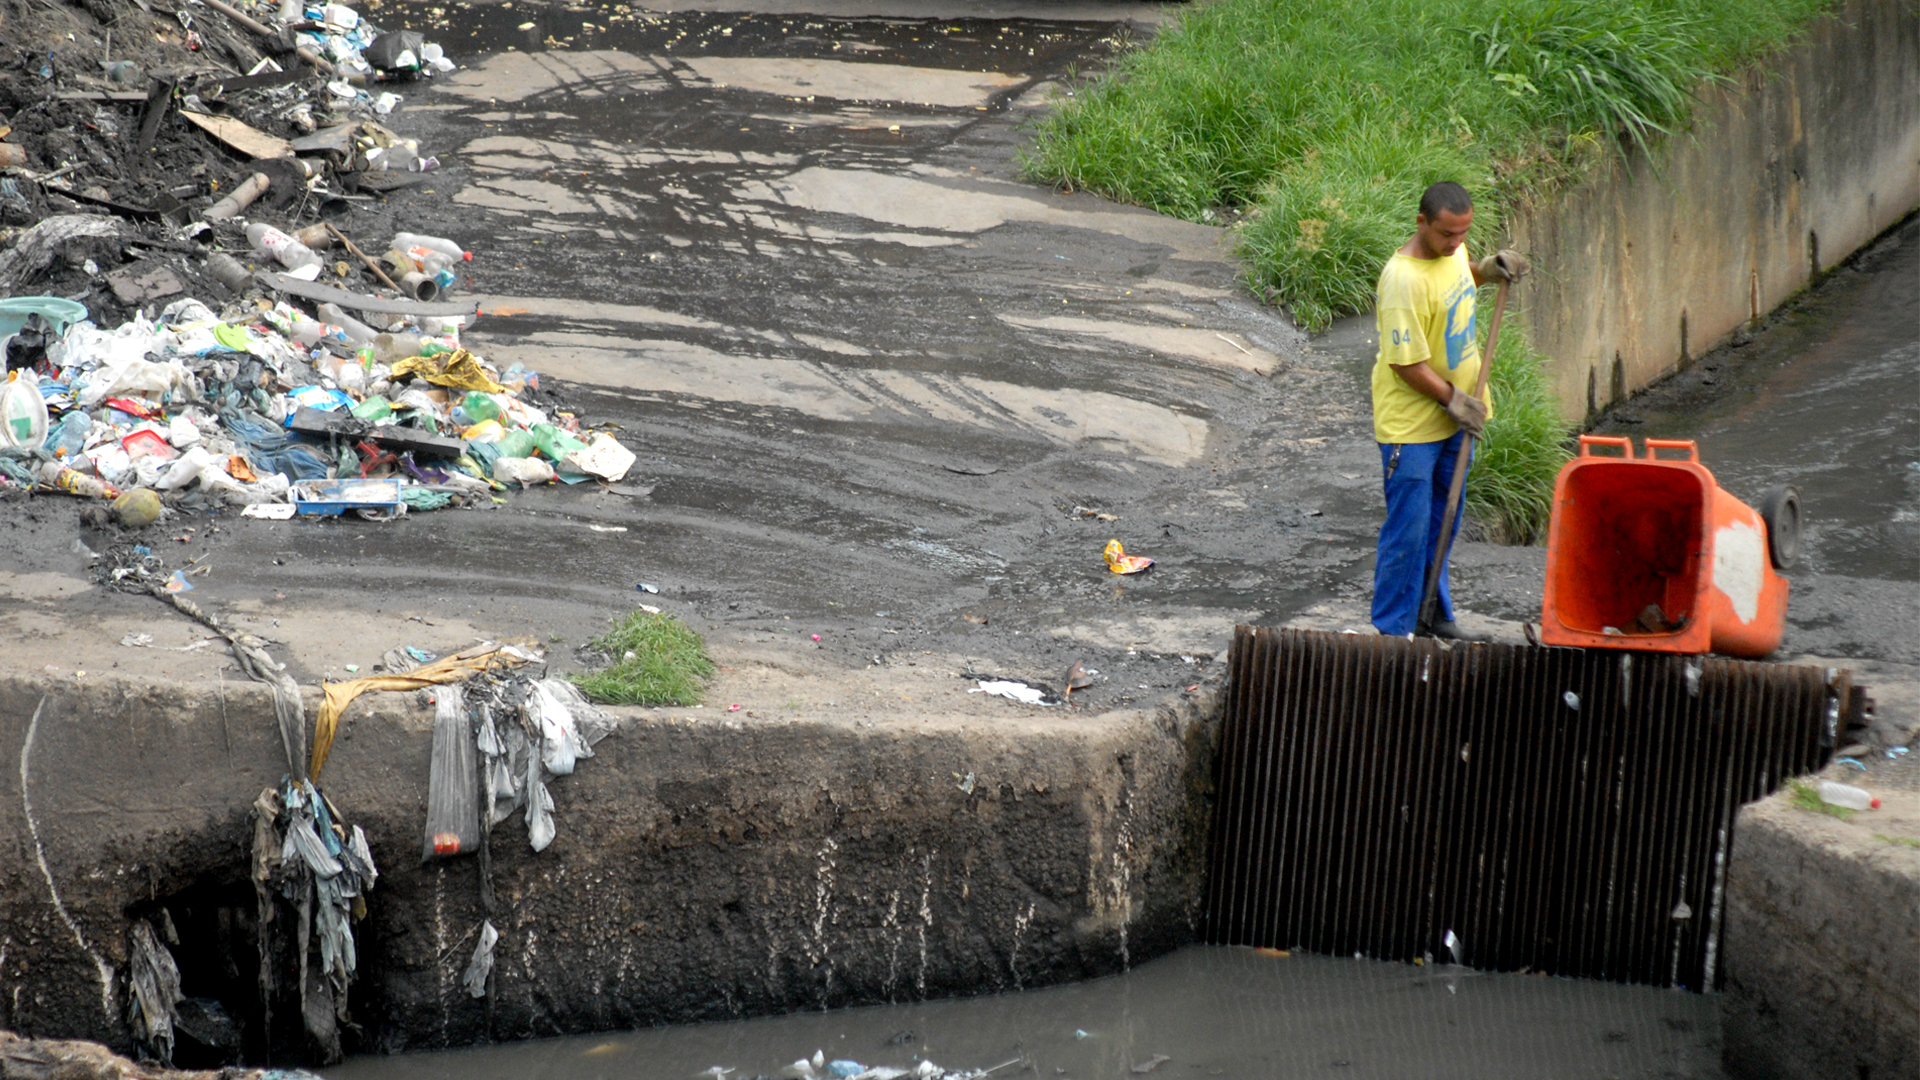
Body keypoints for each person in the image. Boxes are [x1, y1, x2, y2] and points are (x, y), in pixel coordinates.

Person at [1369, 181, 1528, 638]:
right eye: (1447, 235)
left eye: (1463, 234)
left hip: (1458, 419)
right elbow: (1406, 364)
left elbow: (1458, 281)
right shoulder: (1402, 281)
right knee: (1409, 530)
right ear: (1422, 223)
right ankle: (1393, 632)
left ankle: (1435, 616)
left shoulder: (1452, 252)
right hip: (1414, 427)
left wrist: (1486, 269)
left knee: (1444, 521)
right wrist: (1453, 400)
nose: (1456, 243)